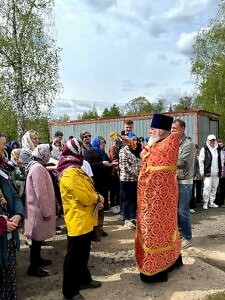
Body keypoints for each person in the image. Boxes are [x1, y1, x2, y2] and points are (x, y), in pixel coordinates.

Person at [135, 113, 183, 283]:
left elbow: (150, 169)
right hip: (156, 200)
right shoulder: (157, 144)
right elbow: (145, 157)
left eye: (152, 129)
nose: (149, 132)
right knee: (163, 231)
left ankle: (156, 270)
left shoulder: (168, 145)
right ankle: (172, 261)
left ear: (161, 132)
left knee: (156, 234)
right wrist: (135, 147)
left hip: (158, 201)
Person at [57, 138, 103, 300]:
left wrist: (96, 196)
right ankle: (69, 292)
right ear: (74, 152)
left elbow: (88, 188)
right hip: (77, 221)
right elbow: (85, 196)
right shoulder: (70, 173)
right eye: (80, 149)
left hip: (84, 220)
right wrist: (98, 197)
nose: (83, 152)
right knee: (73, 257)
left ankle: (83, 280)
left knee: (83, 253)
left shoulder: (75, 168)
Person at [24, 144, 56, 277]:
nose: (49, 155)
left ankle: (38, 260)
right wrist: (47, 211)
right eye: (48, 153)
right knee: (36, 239)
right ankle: (33, 267)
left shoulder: (37, 166)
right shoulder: (37, 168)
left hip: (36, 209)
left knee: (38, 239)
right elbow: (40, 192)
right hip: (37, 210)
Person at [0, 132, 24, 299]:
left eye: (4, 144)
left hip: (8, 234)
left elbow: (14, 195)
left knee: (8, 276)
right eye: (1, 144)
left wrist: (17, 214)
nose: (4, 148)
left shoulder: (2, 169)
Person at [171, 119, 196, 249]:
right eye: (171, 128)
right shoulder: (173, 143)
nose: (172, 131)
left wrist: (164, 162)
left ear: (182, 130)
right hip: (174, 182)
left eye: (174, 128)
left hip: (184, 183)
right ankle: (180, 234)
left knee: (183, 211)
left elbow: (182, 162)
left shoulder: (188, 144)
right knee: (175, 211)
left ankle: (187, 238)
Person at [119, 135, 140, 229]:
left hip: (134, 179)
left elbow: (138, 163)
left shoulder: (135, 150)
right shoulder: (123, 151)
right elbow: (125, 167)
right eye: (133, 140)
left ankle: (132, 217)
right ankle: (126, 219)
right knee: (126, 199)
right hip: (126, 179)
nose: (134, 141)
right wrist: (136, 175)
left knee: (133, 199)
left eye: (136, 140)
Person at [199, 135, 224, 209]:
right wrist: (201, 171)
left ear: (215, 140)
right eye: (210, 140)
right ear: (207, 140)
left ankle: (211, 202)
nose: (212, 141)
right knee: (207, 187)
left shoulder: (218, 149)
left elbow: (221, 160)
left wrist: (222, 170)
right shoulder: (204, 149)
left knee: (214, 187)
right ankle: (205, 203)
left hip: (216, 172)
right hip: (208, 172)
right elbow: (201, 161)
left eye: (213, 140)